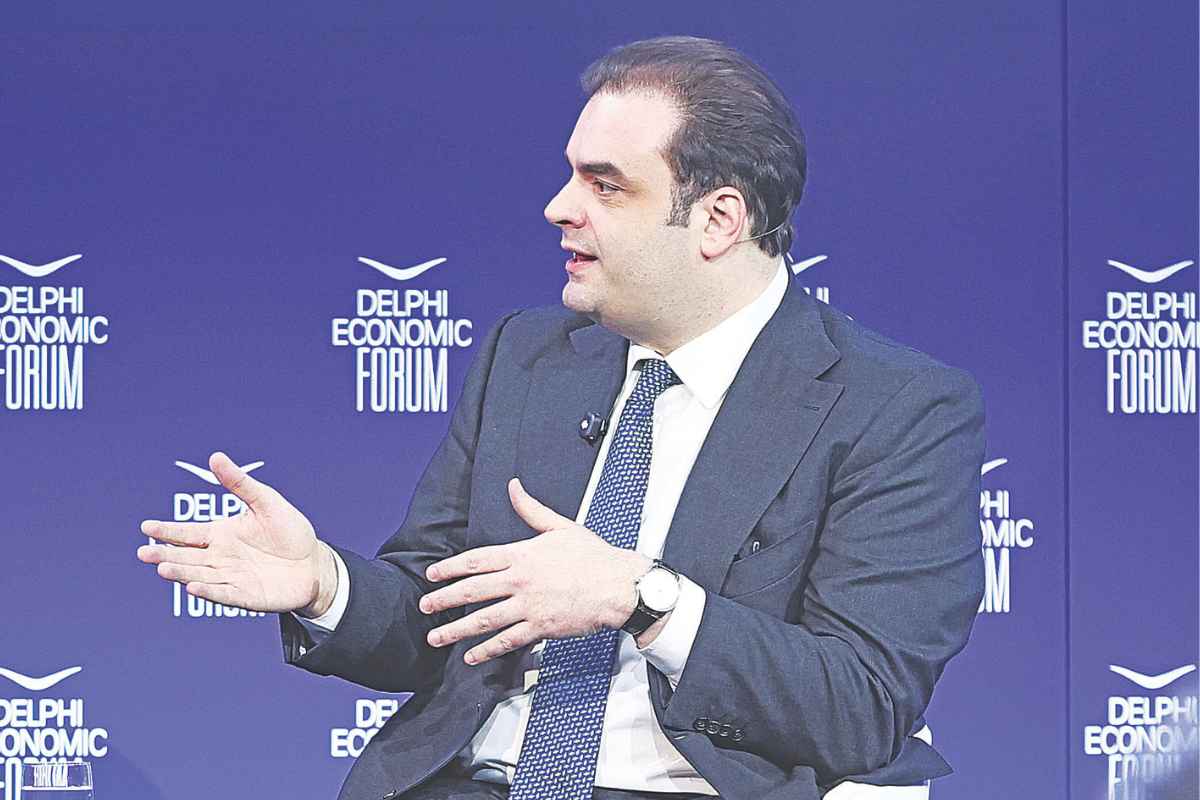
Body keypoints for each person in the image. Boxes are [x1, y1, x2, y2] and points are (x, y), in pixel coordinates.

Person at [137, 36, 985, 800]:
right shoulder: (529, 354)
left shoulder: (894, 408)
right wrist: (326, 583)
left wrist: (642, 599)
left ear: (718, 220)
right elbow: (441, 614)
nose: (558, 206)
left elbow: (861, 703)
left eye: (604, 185)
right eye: (571, 173)